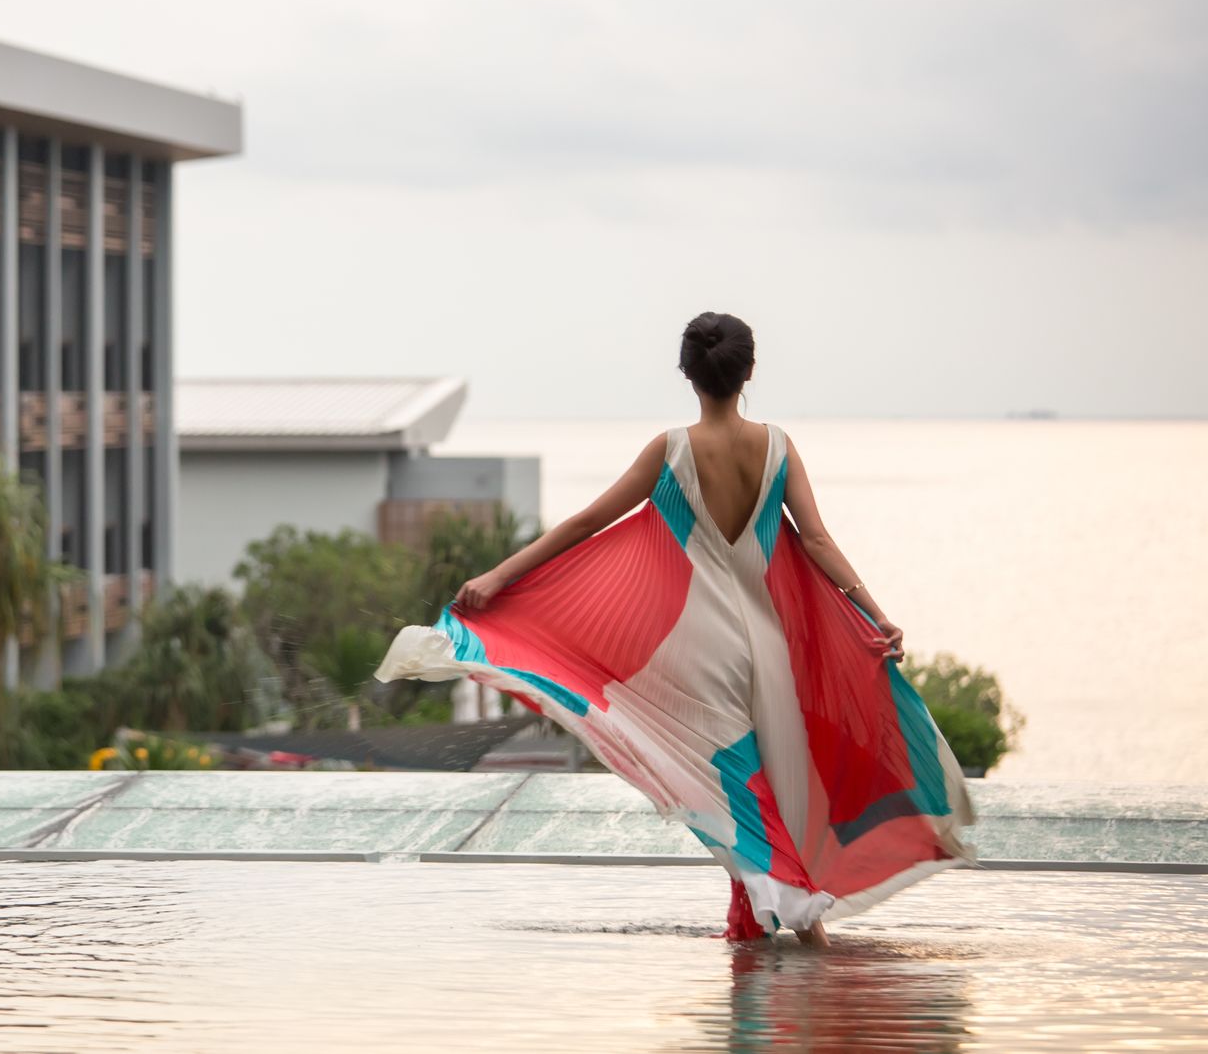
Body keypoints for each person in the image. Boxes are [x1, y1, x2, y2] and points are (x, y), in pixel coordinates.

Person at [377, 312, 975, 945]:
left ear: (688, 375)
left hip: (700, 652)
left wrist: (500, 576)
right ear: (748, 371)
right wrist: (875, 614)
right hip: (768, 650)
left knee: (737, 788)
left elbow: (586, 524)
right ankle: (781, 931)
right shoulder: (777, 446)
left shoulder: (672, 450)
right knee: (763, 788)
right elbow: (818, 540)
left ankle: (803, 924)